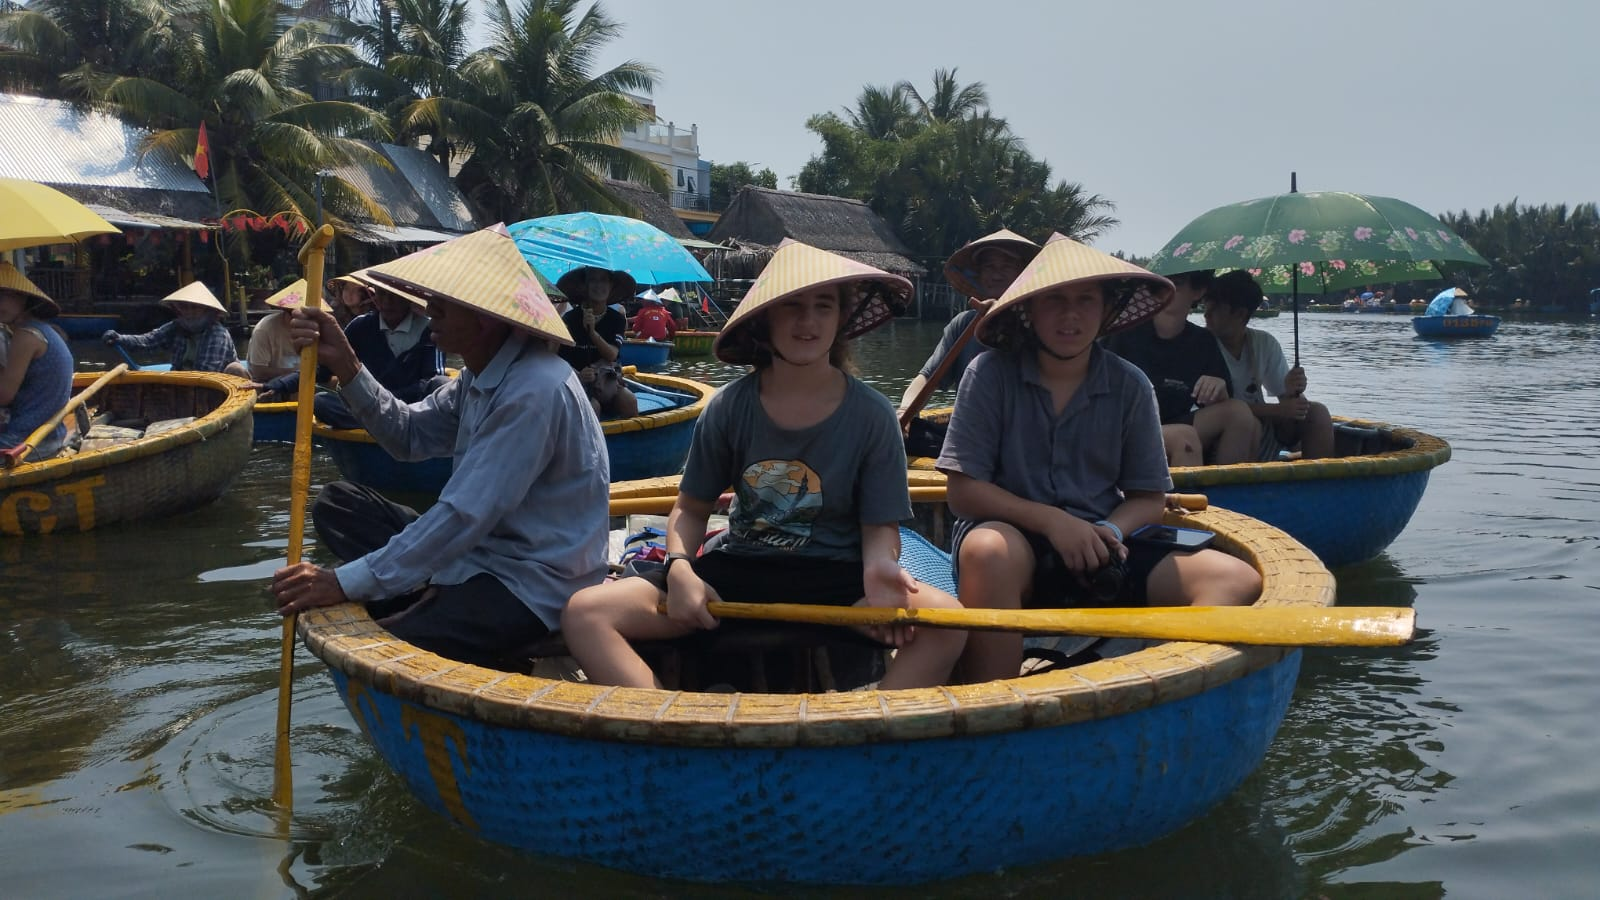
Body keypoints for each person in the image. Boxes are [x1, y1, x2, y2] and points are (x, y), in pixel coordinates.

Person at [562, 240, 967, 690]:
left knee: (949, 622)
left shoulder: (872, 415)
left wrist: (879, 571)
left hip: (837, 581)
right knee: (585, 614)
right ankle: (671, 728)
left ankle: (869, 737)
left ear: (840, 318)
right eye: (792, 306)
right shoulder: (730, 407)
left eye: (823, 306)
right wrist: (679, 567)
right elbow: (692, 509)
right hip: (739, 571)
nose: (808, 321)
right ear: (766, 320)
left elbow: (879, 529)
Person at [270, 226, 610, 669]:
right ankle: (418, 587)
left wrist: (341, 582)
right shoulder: (477, 377)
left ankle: (421, 599)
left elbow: (464, 513)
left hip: (531, 579)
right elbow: (408, 436)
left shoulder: (534, 391)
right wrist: (348, 364)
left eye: (442, 307)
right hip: (480, 551)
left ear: (483, 317)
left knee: (391, 652)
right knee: (341, 503)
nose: (430, 316)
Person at [936, 235, 1262, 683]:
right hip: (1012, 543)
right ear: (1029, 308)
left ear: (1107, 310)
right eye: (1055, 300)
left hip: (1101, 542)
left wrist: (1108, 530)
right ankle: (994, 702)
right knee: (987, 551)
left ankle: (1147, 694)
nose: (1071, 315)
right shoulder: (990, 374)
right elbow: (963, 492)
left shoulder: (1130, 386)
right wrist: (1052, 522)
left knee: (1234, 581)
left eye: (1085, 300)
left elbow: (1149, 497)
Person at [1104, 269, 1261, 466]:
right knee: (1184, 438)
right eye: (1161, 283)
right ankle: (1184, 497)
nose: (1166, 289)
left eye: (1176, 284)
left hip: (1173, 421)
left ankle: (1226, 493)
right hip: (1125, 428)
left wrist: (1218, 388)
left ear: (1198, 291)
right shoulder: (1124, 333)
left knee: (1244, 417)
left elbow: (1224, 401)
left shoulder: (1203, 341)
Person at [897, 229, 1040, 418]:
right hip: (969, 431)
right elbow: (928, 376)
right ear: (979, 275)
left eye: (1006, 267)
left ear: (1023, 274)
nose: (997, 275)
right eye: (989, 267)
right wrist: (905, 410)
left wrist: (1003, 314)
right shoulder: (964, 323)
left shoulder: (1039, 324)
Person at [1203, 270, 1335, 460]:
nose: (1206, 314)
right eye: (1206, 305)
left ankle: (1320, 483)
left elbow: (1289, 405)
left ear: (1240, 314)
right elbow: (1215, 410)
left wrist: (1291, 392)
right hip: (1222, 434)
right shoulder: (1201, 345)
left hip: (1264, 428)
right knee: (1243, 420)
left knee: (1317, 412)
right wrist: (1278, 410)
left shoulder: (1264, 343)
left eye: (1214, 307)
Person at [0, 263, 73, 459]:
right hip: (48, 435)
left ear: (22, 297)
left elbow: (4, 396)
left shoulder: (26, 336)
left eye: (1, 297)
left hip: (25, 442)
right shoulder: (40, 330)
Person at [102, 282, 248, 377]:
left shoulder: (217, 334)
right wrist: (119, 339)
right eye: (185, 307)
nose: (189, 312)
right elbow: (148, 341)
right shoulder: (177, 327)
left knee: (236, 369)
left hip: (215, 387)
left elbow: (205, 373)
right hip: (184, 380)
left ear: (207, 311)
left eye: (195, 307)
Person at [556, 266, 638, 419]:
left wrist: (593, 333)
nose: (598, 286)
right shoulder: (570, 319)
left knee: (630, 401)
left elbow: (612, 354)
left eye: (603, 280)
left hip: (607, 380)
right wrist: (579, 375)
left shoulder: (617, 319)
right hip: (578, 381)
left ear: (611, 286)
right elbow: (559, 358)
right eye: (593, 280)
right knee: (593, 407)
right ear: (585, 286)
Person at [245, 279, 307, 384]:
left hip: (306, 383)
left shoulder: (316, 329)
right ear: (285, 311)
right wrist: (296, 375)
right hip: (269, 384)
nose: (300, 319)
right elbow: (258, 371)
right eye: (294, 314)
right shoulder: (265, 329)